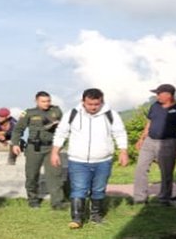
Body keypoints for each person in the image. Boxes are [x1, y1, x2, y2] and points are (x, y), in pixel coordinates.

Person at [52, 88, 130, 228]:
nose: (93, 107)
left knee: (99, 189)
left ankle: (96, 216)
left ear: (102, 102)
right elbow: (61, 133)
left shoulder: (111, 115)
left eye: (96, 104)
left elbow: (120, 133)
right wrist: (55, 152)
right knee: (79, 188)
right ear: (83, 102)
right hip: (78, 160)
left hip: (103, 160)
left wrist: (123, 151)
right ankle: (76, 219)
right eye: (90, 104)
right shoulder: (72, 114)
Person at [133, 83, 176, 205]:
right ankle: (139, 198)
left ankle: (164, 198)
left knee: (167, 172)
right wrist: (141, 138)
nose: (157, 96)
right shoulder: (155, 106)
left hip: (168, 142)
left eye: (159, 94)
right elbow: (149, 122)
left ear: (168, 95)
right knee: (140, 169)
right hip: (149, 141)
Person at [12, 91, 66, 209]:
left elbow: (64, 126)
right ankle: (33, 200)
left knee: (54, 175)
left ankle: (57, 203)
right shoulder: (29, 113)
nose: (46, 103)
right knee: (32, 175)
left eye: (48, 101)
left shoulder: (56, 111)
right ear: (36, 101)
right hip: (34, 148)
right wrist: (15, 144)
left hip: (51, 148)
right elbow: (18, 129)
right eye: (43, 101)